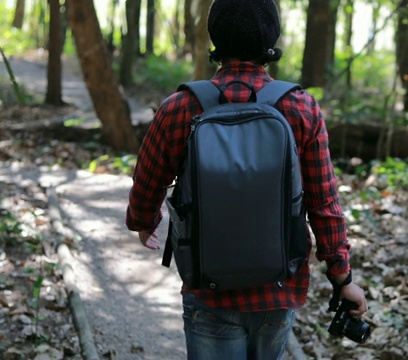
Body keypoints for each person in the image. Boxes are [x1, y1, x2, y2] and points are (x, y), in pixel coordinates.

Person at [125, 0, 368, 358]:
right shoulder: (301, 108)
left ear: (215, 37)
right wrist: (342, 277)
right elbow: (324, 204)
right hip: (277, 288)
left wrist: (145, 222)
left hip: (209, 291)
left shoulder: (179, 107)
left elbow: (146, 186)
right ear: (271, 38)